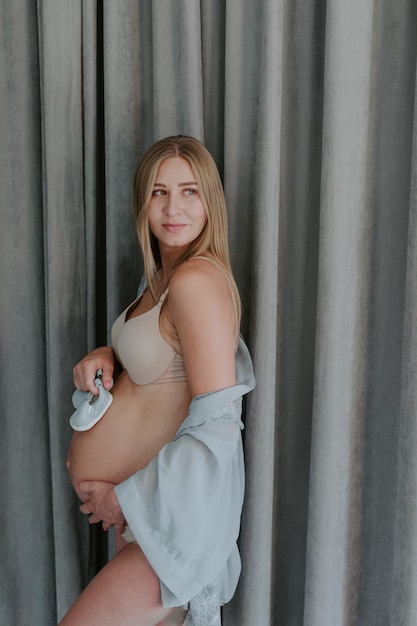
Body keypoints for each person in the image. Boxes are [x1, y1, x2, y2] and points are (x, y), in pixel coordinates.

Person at [60, 135, 255, 626]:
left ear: (210, 201)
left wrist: (122, 498)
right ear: (142, 202)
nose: (174, 208)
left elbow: (217, 427)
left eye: (189, 191)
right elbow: (163, 375)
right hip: (153, 516)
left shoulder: (195, 283)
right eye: (159, 192)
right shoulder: (161, 282)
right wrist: (109, 353)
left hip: (169, 521)